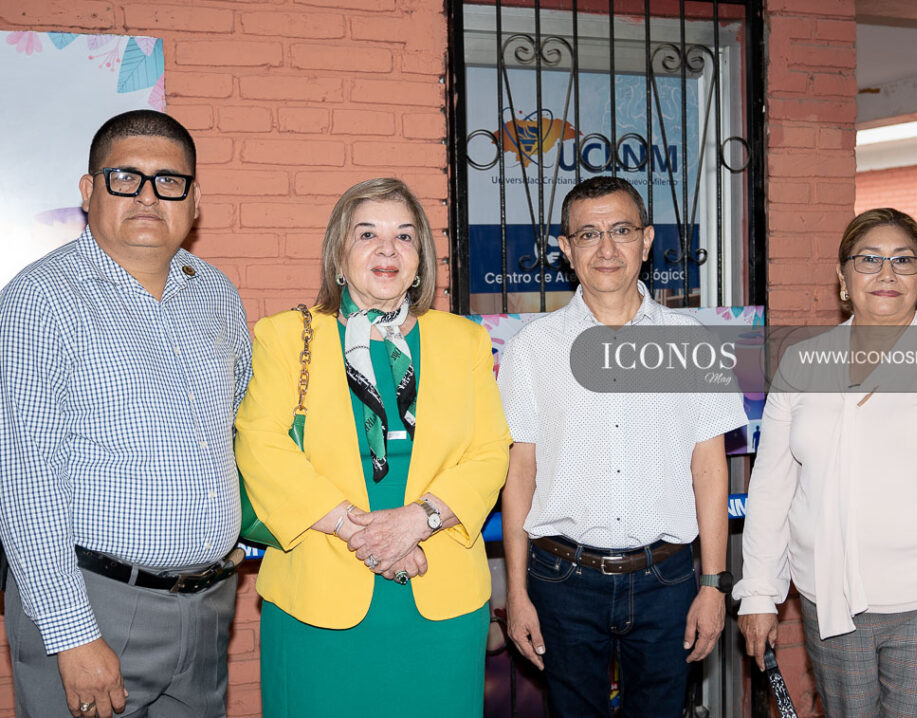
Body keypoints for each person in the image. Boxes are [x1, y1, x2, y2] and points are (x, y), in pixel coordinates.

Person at [0, 110, 251, 718]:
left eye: (169, 181)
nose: (147, 195)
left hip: (209, 606)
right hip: (95, 608)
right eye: (124, 178)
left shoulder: (214, 292)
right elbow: (26, 479)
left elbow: (237, 420)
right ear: (89, 192)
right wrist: (70, 632)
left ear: (194, 200)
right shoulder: (39, 299)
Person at [234, 177, 510, 717]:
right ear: (339, 255)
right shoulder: (285, 336)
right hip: (319, 596)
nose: (388, 249)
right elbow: (262, 446)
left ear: (421, 259)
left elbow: (490, 451)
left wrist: (417, 522)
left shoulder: (465, 341)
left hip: (440, 591)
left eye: (405, 237)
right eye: (368, 234)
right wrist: (365, 534)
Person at [734, 208, 917, 717]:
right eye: (868, 259)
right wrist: (759, 592)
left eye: (902, 260)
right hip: (828, 603)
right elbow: (773, 489)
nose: (886, 274)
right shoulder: (803, 364)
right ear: (842, 276)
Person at [497, 175, 748, 717]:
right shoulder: (531, 349)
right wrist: (516, 593)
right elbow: (519, 474)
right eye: (588, 235)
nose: (606, 249)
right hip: (561, 580)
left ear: (648, 239)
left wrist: (713, 584)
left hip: (669, 580)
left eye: (621, 230)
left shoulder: (693, 344)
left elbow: (711, 470)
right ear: (565, 249)